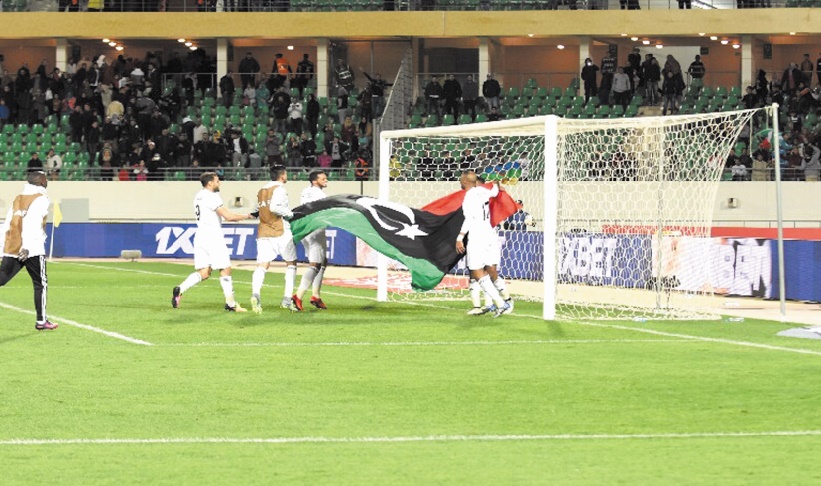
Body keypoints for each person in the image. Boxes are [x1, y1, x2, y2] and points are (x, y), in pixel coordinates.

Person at [171, 172, 254, 312]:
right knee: (225, 268)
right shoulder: (212, 196)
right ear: (210, 183)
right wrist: (247, 215)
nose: (219, 183)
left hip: (200, 235)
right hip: (213, 236)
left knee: (205, 272)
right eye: (217, 181)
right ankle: (231, 304)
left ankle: (180, 289)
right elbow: (228, 216)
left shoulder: (198, 195)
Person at [0, 171, 57, 330]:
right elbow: (32, 222)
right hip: (31, 249)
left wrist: (3, 247)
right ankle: (41, 321)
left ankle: (41, 320)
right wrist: (28, 246)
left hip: (13, 246)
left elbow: (9, 223)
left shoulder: (18, 198)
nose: (47, 182)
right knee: (40, 283)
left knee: (2, 278)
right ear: (39, 182)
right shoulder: (41, 198)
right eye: (45, 179)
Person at [454, 170, 511, 318]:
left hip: (477, 236)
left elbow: (469, 218)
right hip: (489, 234)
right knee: (483, 270)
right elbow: (494, 191)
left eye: (461, 179)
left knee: (477, 271)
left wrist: (460, 237)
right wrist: (497, 184)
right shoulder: (483, 191)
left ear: (465, 181)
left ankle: (500, 303)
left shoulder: (469, 197)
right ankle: (494, 303)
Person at [250, 165, 299, 314]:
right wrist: (290, 214)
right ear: (282, 176)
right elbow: (275, 208)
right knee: (291, 264)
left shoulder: (262, 190)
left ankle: (255, 295)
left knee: (262, 265)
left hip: (264, 231)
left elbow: (254, 211)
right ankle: (286, 299)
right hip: (280, 230)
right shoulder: (280, 189)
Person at [292, 170, 329, 311]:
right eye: (323, 178)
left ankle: (316, 296)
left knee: (323, 261)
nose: (326, 180)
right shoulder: (320, 194)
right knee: (315, 264)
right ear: (315, 181)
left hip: (305, 229)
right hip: (315, 229)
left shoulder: (305, 191)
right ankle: (298, 296)